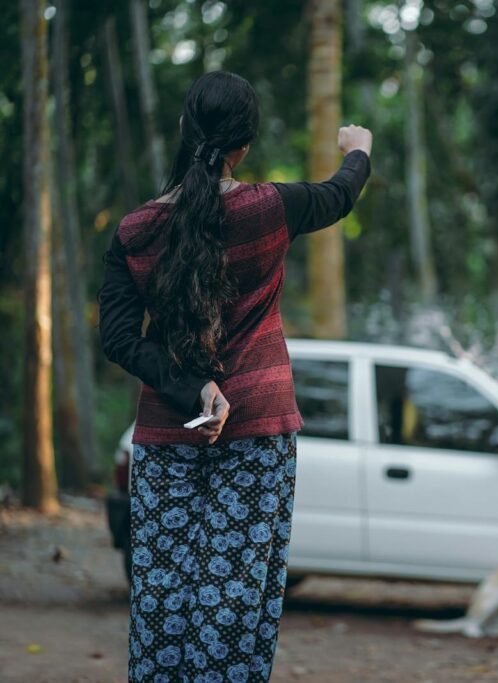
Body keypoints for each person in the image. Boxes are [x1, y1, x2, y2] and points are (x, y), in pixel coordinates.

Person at [98, 71, 372, 681]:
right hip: (257, 436)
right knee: (234, 604)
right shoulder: (271, 209)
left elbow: (119, 338)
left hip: (167, 438)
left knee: (162, 605)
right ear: (244, 143)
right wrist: (359, 149)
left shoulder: (136, 230)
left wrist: (191, 385)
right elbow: (340, 193)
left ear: (182, 129)